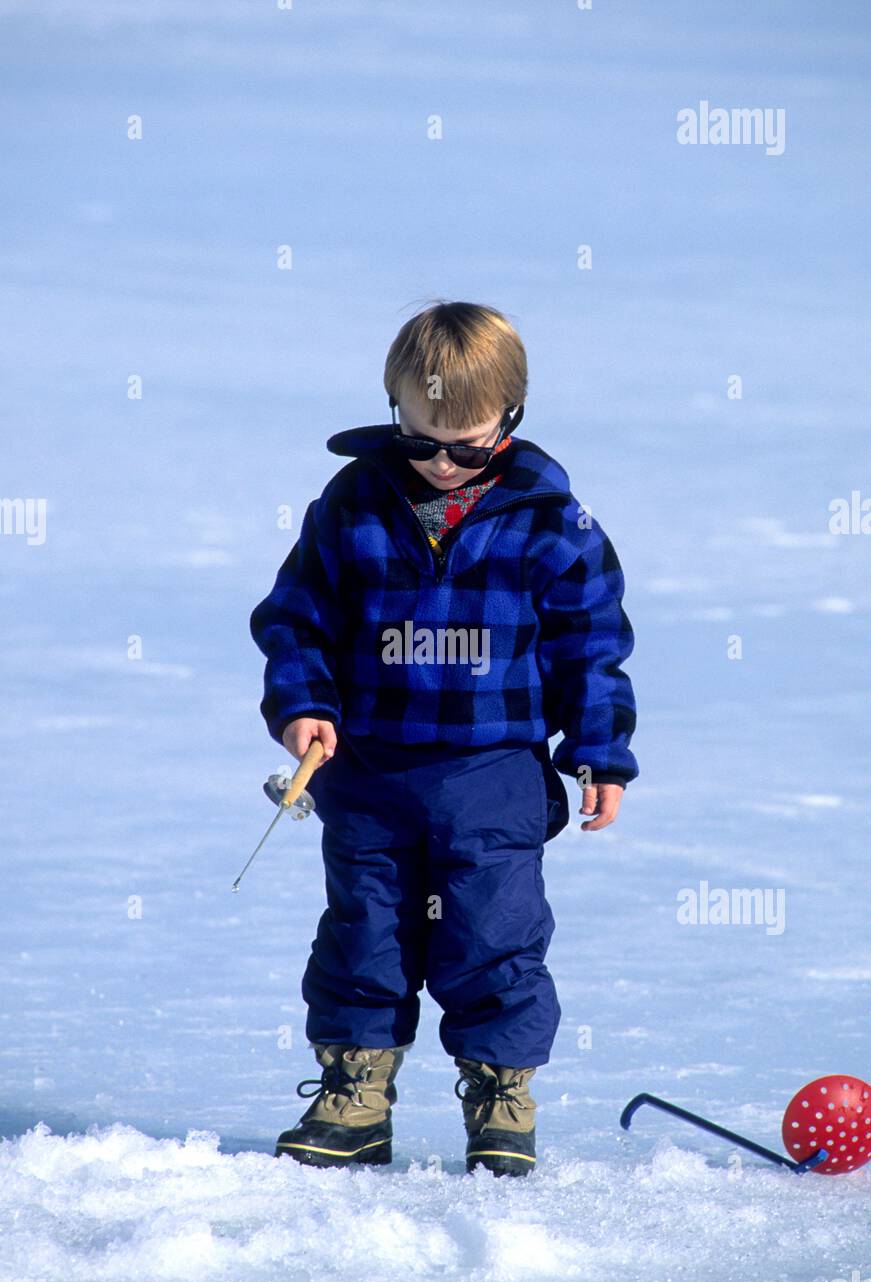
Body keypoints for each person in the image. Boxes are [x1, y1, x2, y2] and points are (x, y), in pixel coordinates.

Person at [250, 301, 638, 1176]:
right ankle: (355, 1094)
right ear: (396, 411)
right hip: (370, 773)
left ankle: (501, 1096)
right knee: (365, 932)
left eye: (466, 447)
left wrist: (599, 752)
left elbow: (594, 644)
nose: (441, 464)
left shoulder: (551, 520)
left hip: (492, 771)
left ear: (510, 419)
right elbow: (296, 619)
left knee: (492, 934)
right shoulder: (352, 503)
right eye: (421, 441)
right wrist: (301, 705)